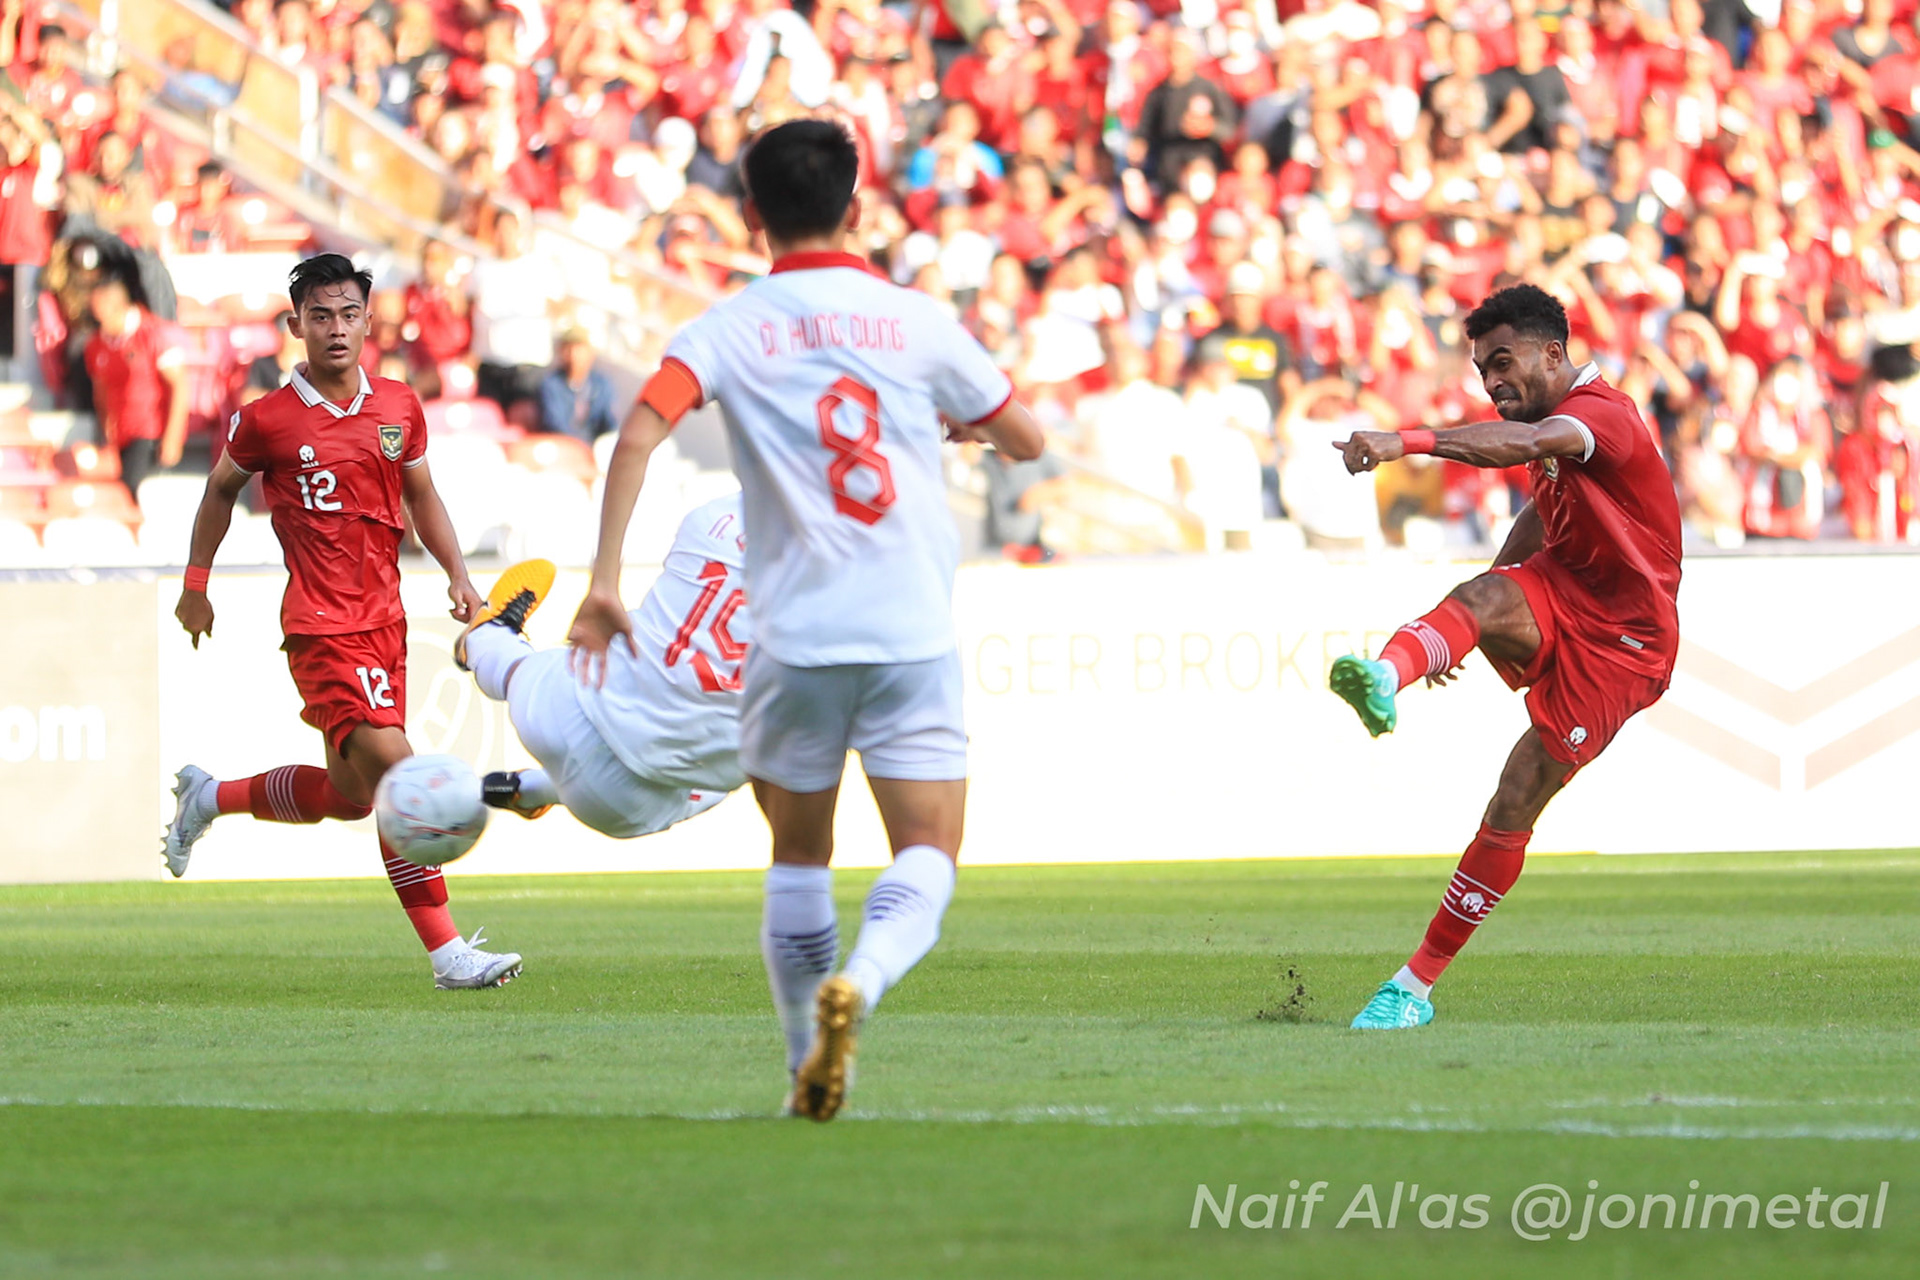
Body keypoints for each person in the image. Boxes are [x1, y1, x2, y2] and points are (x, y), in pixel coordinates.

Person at [568, 119, 1042, 1120]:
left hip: (791, 637)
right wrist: (959, 421)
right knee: (927, 849)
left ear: (751, 215)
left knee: (797, 857)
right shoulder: (914, 320)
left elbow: (640, 429)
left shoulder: (728, 326)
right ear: (858, 209)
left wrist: (607, 576)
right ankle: (859, 985)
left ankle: (803, 1067)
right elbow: (1026, 434)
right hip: (908, 624)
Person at [161, 254, 523, 991]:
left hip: (386, 624)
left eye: (348, 314)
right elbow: (218, 492)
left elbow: (422, 495)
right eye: (319, 316)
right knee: (403, 775)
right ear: (295, 325)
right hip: (322, 627)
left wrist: (457, 574)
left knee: (349, 797)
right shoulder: (265, 420)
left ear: (367, 321)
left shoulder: (397, 406)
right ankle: (448, 954)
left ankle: (209, 795)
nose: (335, 329)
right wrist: (196, 584)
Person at [1326, 284, 1682, 1028]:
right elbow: (1538, 508)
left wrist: (1404, 443)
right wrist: (1489, 607)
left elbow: (1523, 449)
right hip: (1568, 587)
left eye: (1501, 362)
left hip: (1627, 641)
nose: (1490, 383)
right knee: (1480, 595)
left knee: (1516, 796)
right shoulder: (1553, 428)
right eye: (1482, 370)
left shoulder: (1600, 417)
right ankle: (1386, 678)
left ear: (1553, 353)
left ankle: (1413, 987)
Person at [453, 493, 750, 837]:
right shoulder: (818, 592)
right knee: (751, 761)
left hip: (565, 713)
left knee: (523, 671)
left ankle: (488, 641)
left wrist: (603, 584)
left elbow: (634, 446)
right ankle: (534, 789)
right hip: (631, 806)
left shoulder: (708, 519)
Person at [82, 276, 187, 501]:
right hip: (119, 433)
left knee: (133, 492)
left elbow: (179, 385)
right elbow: (100, 391)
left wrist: (173, 437)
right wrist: (106, 432)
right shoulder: (96, 344)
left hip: (148, 431)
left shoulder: (151, 334)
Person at [537, 325, 617, 443]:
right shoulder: (551, 385)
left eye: (579, 349)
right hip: (564, 447)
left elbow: (609, 422)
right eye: (568, 349)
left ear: (590, 353)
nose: (573, 355)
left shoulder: (601, 385)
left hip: (592, 449)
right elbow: (555, 424)